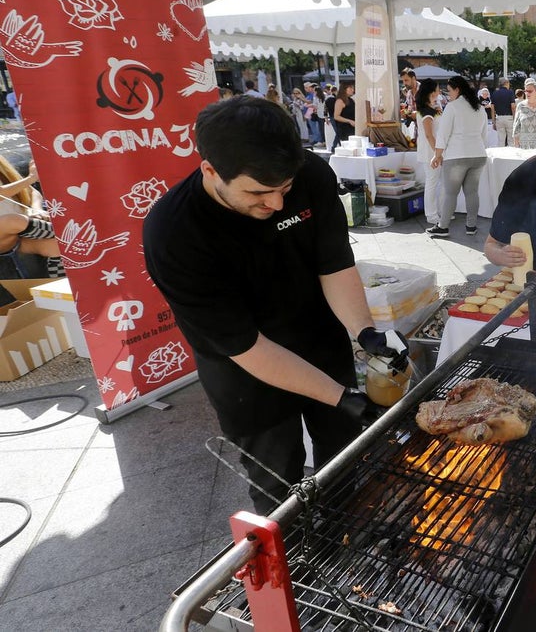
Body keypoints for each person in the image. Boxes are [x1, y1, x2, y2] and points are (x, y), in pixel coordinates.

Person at [143, 96, 405, 514]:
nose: (277, 204)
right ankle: (292, 560)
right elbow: (247, 347)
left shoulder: (311, 174)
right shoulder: (174, 232)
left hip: (320, 341)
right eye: (259, 192)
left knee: (343, 460)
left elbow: (334, 265)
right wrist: (341, 396)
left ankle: (339, 541)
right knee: (276, 484)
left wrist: (365, 332)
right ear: (210, 170)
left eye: (284, 189)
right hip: (246, 373)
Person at [427, 76, 488, 238]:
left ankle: (443, 226)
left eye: (449, 90)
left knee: (450, 193)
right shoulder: (479, 108)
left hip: (457, 156)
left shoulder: (452, 107)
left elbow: (443, 135)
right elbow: (484, 135)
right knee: (472, 192)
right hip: (479, 154)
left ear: (457, 89)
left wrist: (436, 156)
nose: (448, 94)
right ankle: (471, 225)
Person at [0, 157, 63, 279]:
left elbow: (33, 192)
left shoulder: (4, 172)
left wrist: (37, 209)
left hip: (20, 236)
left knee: (56, 246)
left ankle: (61, 289)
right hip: (7, 231)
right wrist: (31, 178)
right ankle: (67, 233)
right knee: (12, 221)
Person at [415, 79, 444, 230]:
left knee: (434, 182)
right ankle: (432, 215)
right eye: (438, 89)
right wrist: (437, 154)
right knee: (432, 183)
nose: (439, 92)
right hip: (430, 152)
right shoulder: (426, 112)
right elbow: (429, 135)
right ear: (432, 92)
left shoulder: (428, 109)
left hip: (430, 152)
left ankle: (435, 212)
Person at [512, 79, 536, 149]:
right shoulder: (520, 105)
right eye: (526, 91)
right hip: (524, 144)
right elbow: (516, 125)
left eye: (530, 91)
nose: (527, 93)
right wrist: (516, 142)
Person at [491, 77, 516, 147]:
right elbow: (513, 107)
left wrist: (493, 121)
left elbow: (492, 108)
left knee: (501, 140)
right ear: (506, 83)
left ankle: (500, 156)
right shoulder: (510, 92)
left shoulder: (495, 93)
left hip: (499, 118)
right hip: (509, 118)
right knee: (511, 140)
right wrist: (515, 119)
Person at [331, 82, 356, 148]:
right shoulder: (340, 101)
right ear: (344, 89)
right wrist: (349, 121)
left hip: (353, 128)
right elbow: (336, 116)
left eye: (353, 88)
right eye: (350, 88)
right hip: (345, 129)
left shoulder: (351, 100)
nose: (352, 90)